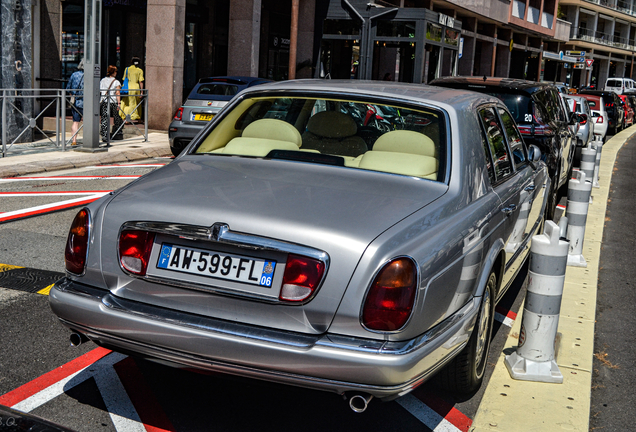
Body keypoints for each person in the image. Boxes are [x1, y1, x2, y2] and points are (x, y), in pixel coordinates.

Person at [99, 65, 124, 141]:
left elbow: (100, 91)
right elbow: (117, 93)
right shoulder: (116, 82)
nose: (116, 73)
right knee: (116, 117)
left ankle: (104, 134)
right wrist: (119, 103)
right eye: (116, 71)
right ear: (113, 72)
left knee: (104, 118)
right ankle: (117, 133)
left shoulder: (102, 80)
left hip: (105, 101)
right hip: (113, 101)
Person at [119, 56, 145, 122]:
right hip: (136, 88)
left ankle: (126, 118)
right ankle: (138, 118)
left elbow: (124, 79)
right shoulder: (140, 70)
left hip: (127, 88)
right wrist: (142, 92)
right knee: (137, 103)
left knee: (128, 103)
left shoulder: (127, 69)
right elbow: (141, 81)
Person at [66, 59, 84, 145]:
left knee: (75, 122)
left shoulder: (74, 75)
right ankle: (88, 140)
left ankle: (74, 141)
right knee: (87, 121)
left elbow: (68, 88)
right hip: (87, 102)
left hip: (75, 102)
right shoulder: (90, 75)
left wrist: (72, 96)